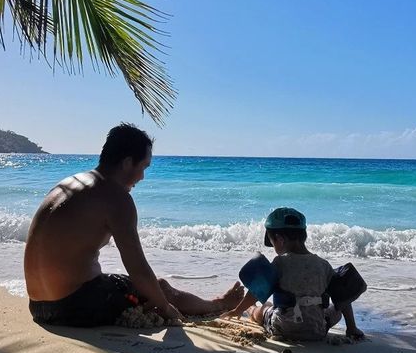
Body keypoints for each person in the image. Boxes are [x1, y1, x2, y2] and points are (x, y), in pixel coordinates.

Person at [25, 123, 243, 327]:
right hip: (74, 307)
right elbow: (138, 269)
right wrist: (165, 307)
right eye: (144, 166)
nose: (143, 177)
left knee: (139, 287)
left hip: (38, 306)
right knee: (160, 288)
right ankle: (219, 305)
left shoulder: (68, 184)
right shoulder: (116, 197)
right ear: (127, 162)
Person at [221, 207, 365, 341]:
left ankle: (250, 310)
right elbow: (343, 297)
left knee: (264, 308)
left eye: (272, 242)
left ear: (280, 239)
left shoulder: (280, 263)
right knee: (337, 309)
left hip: (283, 327)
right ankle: (352, 329)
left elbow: (257, 291)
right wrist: (351, 327)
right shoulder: (323, 265)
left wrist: (237, 310)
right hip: (317, 330)